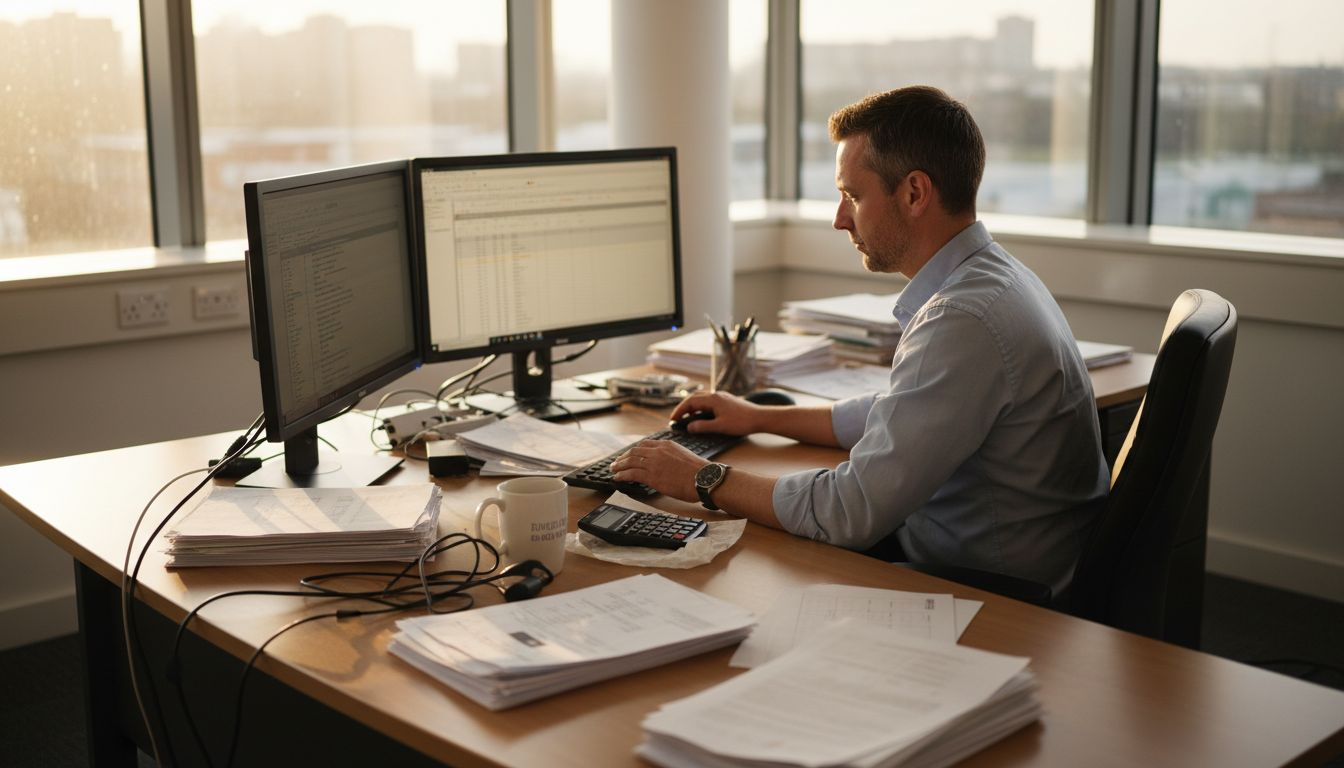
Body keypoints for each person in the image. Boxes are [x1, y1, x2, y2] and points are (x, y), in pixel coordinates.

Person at [610, 86, 1107, 595]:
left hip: (996, 596)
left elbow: (848, 512)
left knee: (741, 583)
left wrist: (701, 478)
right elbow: (902, 411)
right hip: (995, 559)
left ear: (914, 193)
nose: (839, 218)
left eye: (852, 195)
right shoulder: (995, 277)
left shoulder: (962, 319)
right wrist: (759, 416)